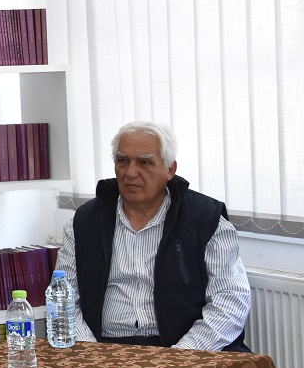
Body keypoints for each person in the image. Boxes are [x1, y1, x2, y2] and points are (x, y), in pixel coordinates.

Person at [57, 121, 251, 351]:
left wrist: (180, 355)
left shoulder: (206, 219)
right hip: (107, 349)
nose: (131, 172)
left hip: (183, 347)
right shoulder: (83, 223)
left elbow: (230, 300)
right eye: (123, 161)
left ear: (170, 169)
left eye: (145, 162)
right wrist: (93, 353)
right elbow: (63, 301)